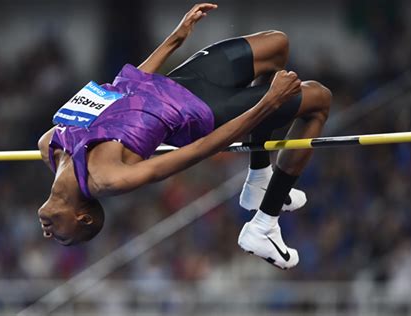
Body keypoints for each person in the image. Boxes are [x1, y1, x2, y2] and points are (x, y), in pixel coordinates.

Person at [37, 3, 331, 269]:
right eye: (61, 238)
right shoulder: (109, 178)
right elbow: (200, 150)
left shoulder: (49, 143)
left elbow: (121, 89)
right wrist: (267, 105)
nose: (47, 234)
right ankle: (264, 225)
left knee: (277, 44)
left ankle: (259, 176)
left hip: (183, 80)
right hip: (201, 112)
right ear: (83, 218)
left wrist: (176, 38)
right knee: (318, 98)